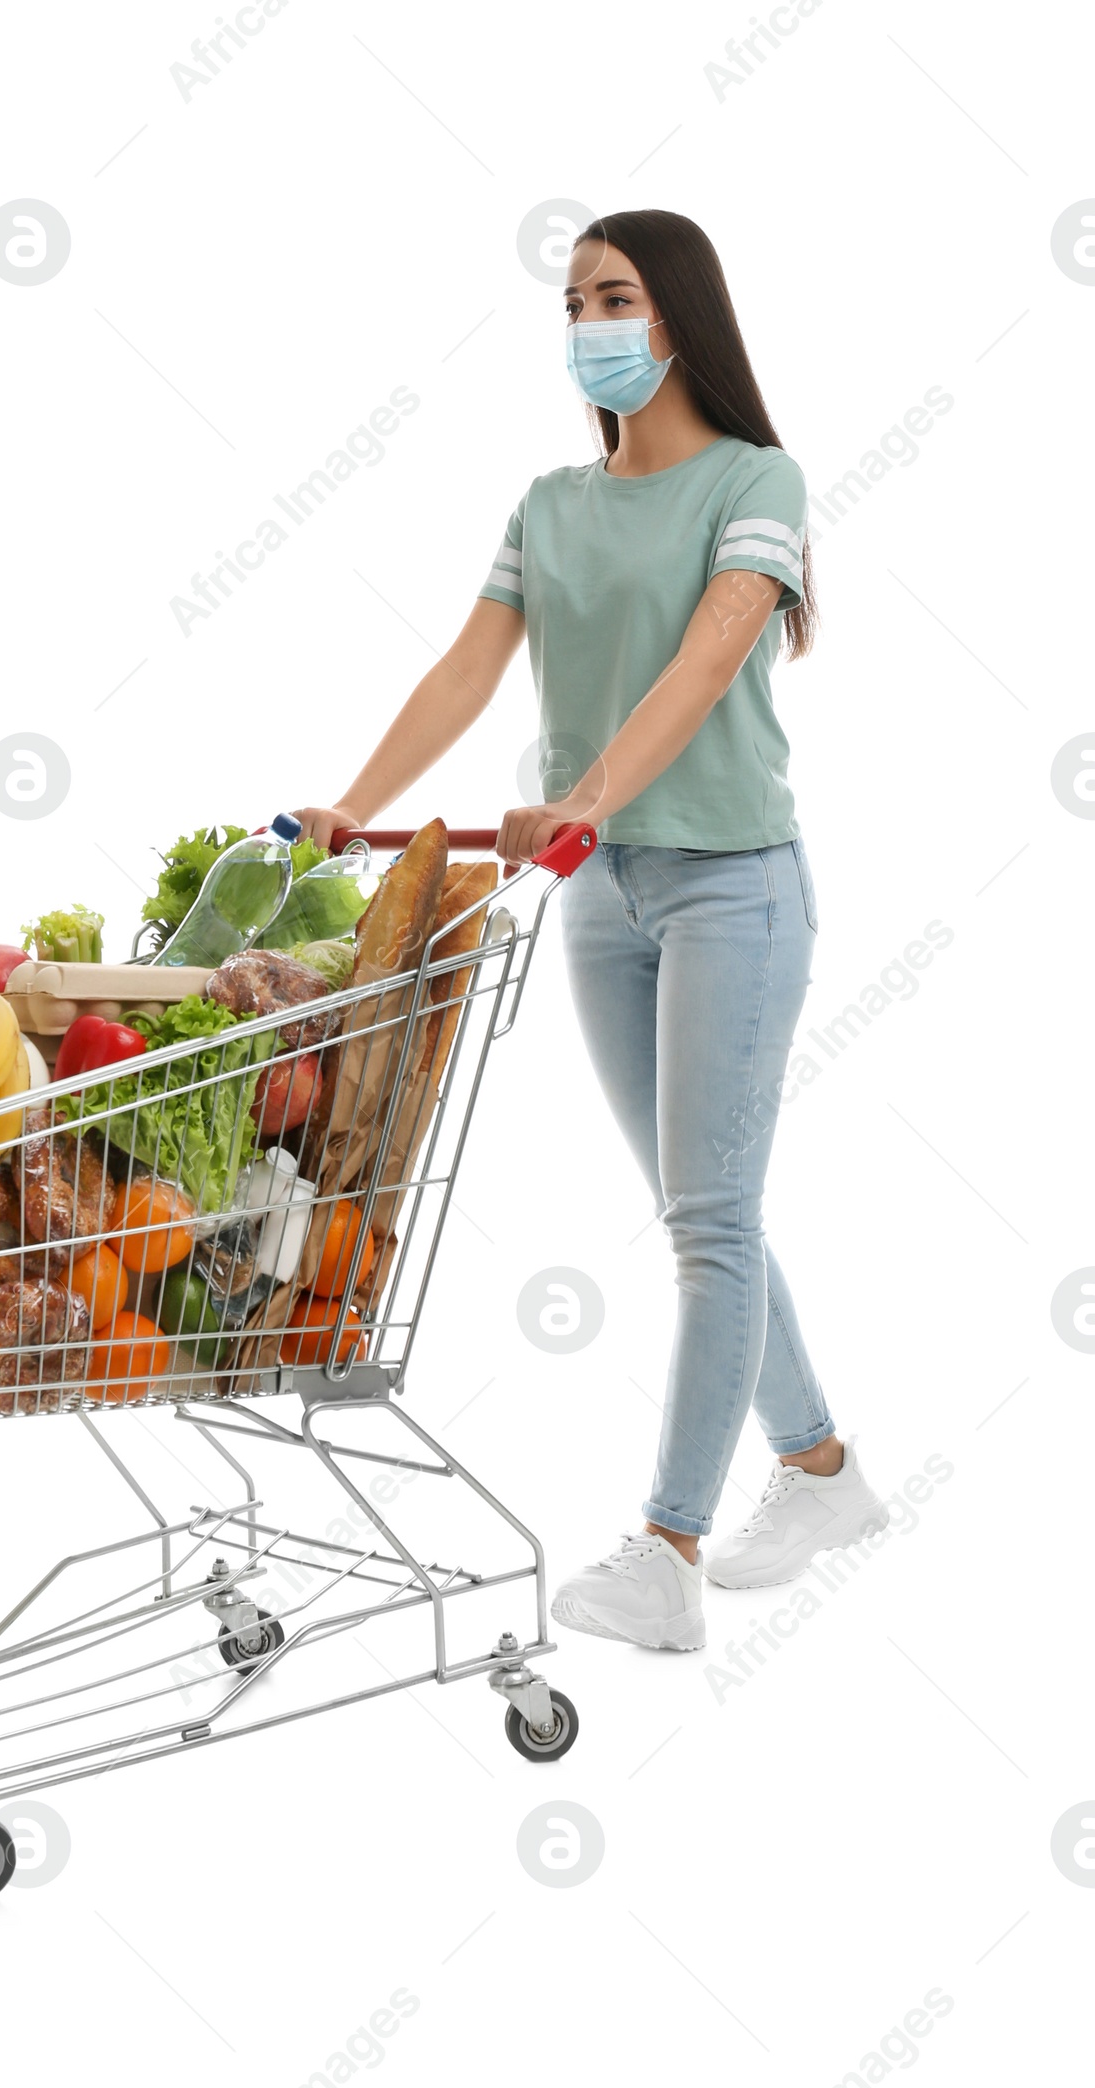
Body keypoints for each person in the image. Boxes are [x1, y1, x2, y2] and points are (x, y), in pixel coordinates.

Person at [296, 209, 889, 1653]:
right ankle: (822, 1476)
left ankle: (667, 1553)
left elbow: (710, 652)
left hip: (731, 884)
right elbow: (465, 668)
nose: (591, 325)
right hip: (603, 897)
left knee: (708, 1224)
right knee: (709, 1213)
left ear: (679, 315)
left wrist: (583, 797)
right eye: (573, 303)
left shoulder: (761, 480)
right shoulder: (549, 504)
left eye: (616, 296)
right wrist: (348, 805)